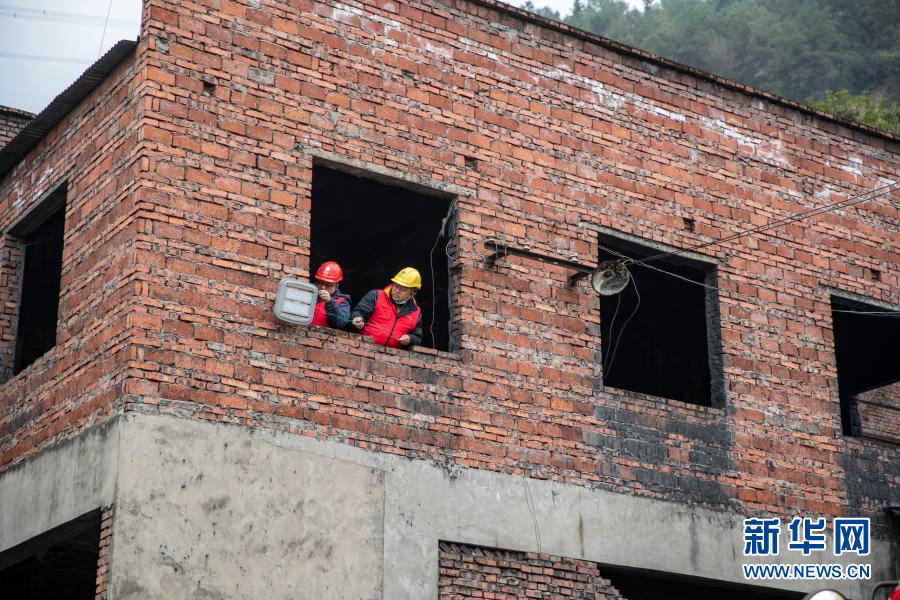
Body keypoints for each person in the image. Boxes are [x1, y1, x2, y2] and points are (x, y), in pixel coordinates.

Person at [351, 267, 423, 348]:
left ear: (413, 292)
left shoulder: (416, 312)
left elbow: (418, 337)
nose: (397, 291)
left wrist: (410, 339)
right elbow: (359, 312)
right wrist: (357, 318)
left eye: (403, 289)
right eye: (396, 286)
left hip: (392, 357)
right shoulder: (376, 295)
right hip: (364, 348)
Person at [310, 261, 351, 329]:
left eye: (328, 285)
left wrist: (330, 302)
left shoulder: (342, 302)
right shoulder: (308, 291)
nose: (323, 287)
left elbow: (340, 323)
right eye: (320, 283)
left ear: (336, 285)